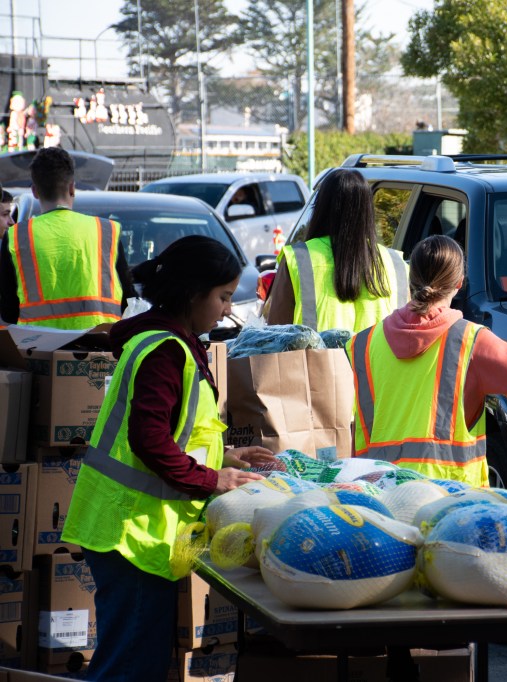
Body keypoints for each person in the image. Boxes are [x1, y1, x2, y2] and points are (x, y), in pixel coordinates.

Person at [61, 236, 276, 681]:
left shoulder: (165, 341)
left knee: (133, 657)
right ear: (192, 294)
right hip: (131, 534)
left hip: (132, 532)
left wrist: (226, 455)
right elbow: (150, 442)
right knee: (129, 665)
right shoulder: (165, 351)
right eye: (221, 297)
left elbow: (172, 434)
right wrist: (216, 480)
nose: (225, 310)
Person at [347, 235, 507, 487]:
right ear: (459, 283)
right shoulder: (470, 341)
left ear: (410, 279)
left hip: (377, 496)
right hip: (449, 501)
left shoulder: (362, 344)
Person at [0, 147, 132, 328]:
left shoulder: (16, 237)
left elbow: (8, 311)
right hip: (100, 349)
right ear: (72, 187)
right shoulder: (106, 231)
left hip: (36, 349)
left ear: (35, 192)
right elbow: (129, 301)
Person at [265, 168, 408, 332]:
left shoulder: (298, 259)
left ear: (320, 209)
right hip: (375, 358)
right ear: (368, 211)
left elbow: (276, 335)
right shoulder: (396, 265)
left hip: (315, 358)